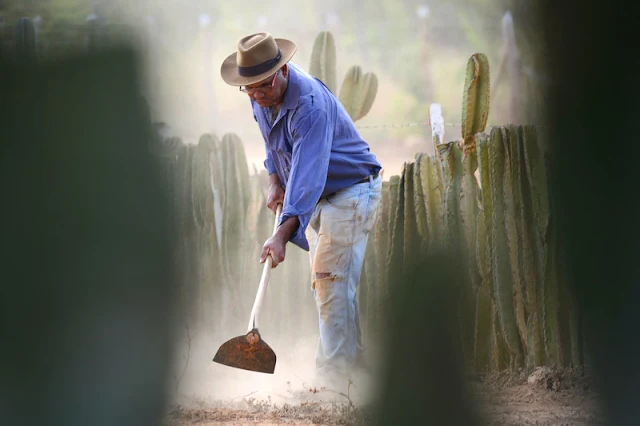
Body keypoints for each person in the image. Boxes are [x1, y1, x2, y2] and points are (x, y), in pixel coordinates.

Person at [220, 32, 383, 389]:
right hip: (316, 196)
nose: (256, 94)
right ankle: (354, 371)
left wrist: (280, 236)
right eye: (249, 89)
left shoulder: (309, 105)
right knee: (330, 287)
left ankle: (332, 384)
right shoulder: (258, 94)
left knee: (330, 283)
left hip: (350, 191)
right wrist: (274, 177)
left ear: (282, 72)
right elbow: (270, 141)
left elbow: (308, 177)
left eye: (262, 86)